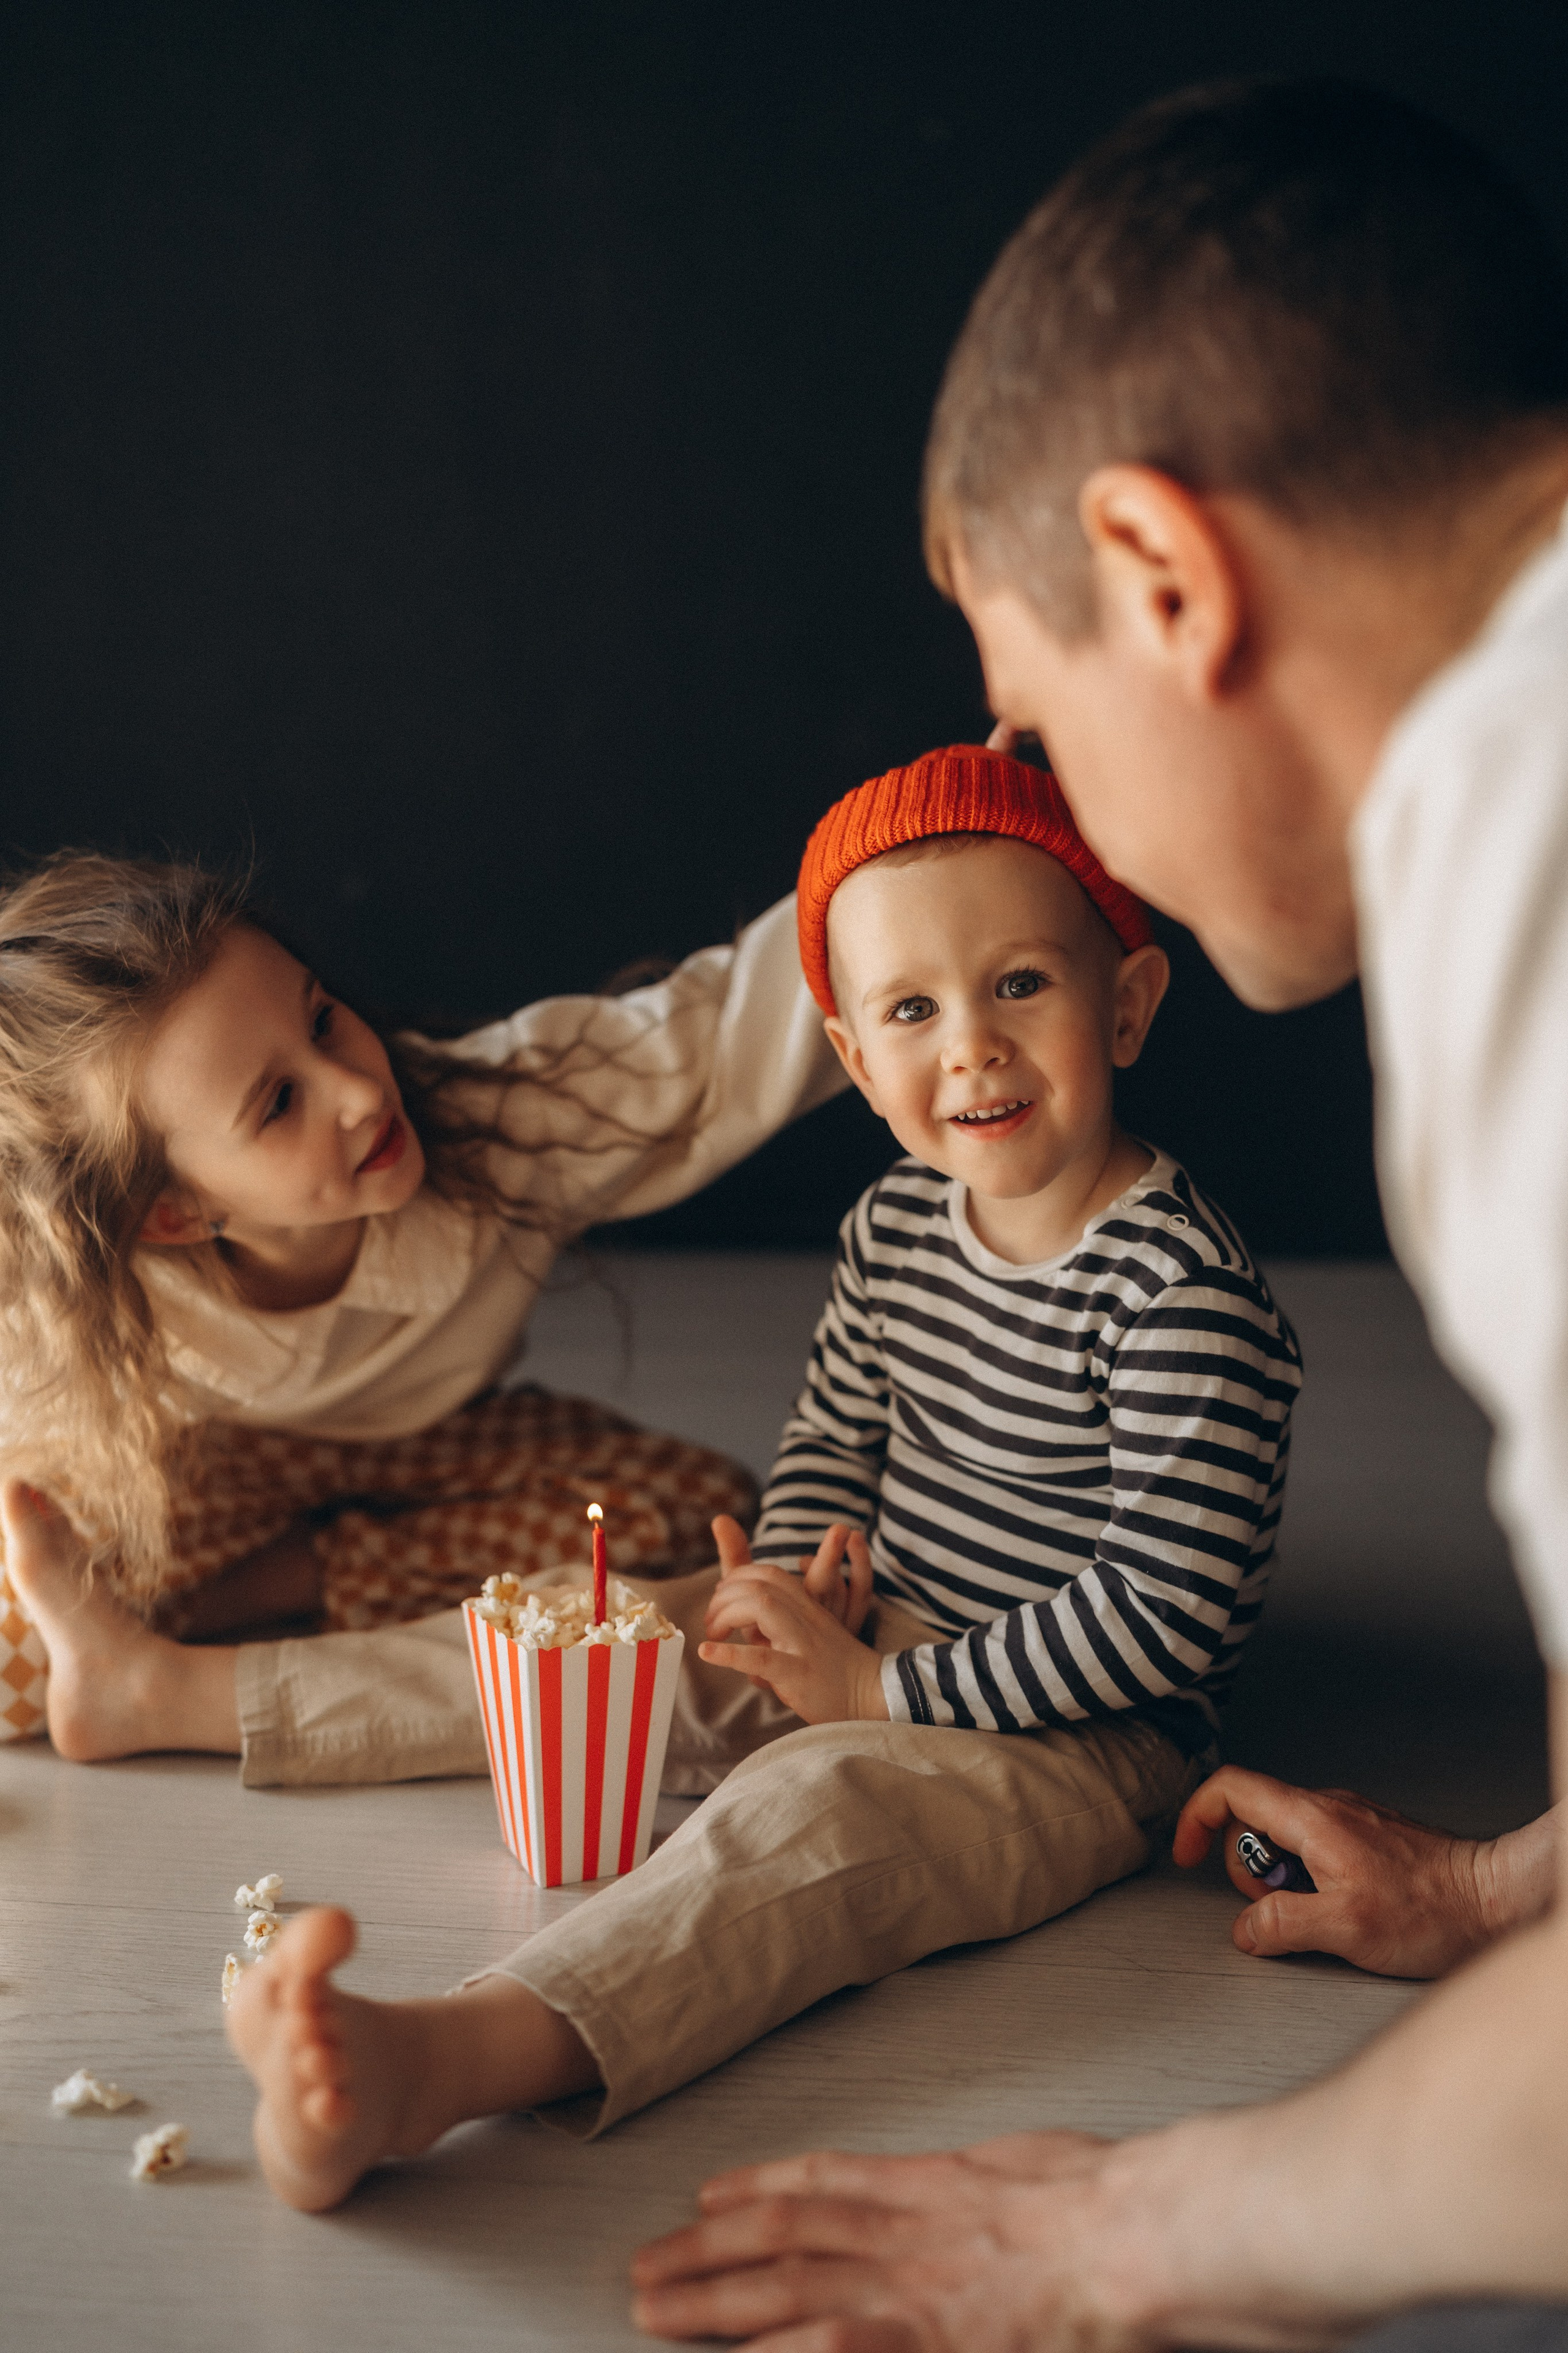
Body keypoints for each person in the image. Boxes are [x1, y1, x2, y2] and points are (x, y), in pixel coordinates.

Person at [627, 77, 1568, 2351]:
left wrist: (1134, 2231)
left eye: (1036, 721)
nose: (1055, 798)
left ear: (1165, 576)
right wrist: (1506, 1880)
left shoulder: (1520, 876)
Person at [220, 745, 1299, 2217]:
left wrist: (875, 1699)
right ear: (854, 1060)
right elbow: (835, 1429)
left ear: (1125, 1001)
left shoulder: (1178, 1292)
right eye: (911, 1010)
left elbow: (1159, 1615)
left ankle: (447, 2059)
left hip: (1072, 1730)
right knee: (580, 1627)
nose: (969, 1048)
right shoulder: (896, 1224)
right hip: (883, 1626)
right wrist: (784, 1574)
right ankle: (184, 1696)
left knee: (805, 1830)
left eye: (1020, 986)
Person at [0, 851, 842, 1761]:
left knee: (693, 1518)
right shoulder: (79, 1304)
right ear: (175, 1212)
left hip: (439, 1450)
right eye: (280, 1102)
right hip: (203, 1470)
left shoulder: (504, 1113)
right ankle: (164, 1635)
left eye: (322, 1020)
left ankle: (250, 1601)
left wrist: (916, 854)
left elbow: (729, 1031)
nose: (361, 1092)